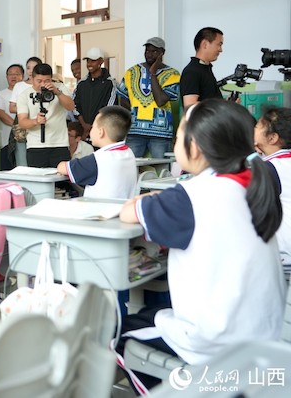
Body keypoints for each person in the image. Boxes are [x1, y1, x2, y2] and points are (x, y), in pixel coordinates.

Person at [118, 99, 284, 389]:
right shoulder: (253, 182)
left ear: (194, 147)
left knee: (120, 334)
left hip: (214, 342)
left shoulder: (191, 196)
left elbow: (128, 212)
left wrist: (142, 200)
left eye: (179, 134)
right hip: (264, 334)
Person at [116, 37, 180, 159]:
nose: (149, 54)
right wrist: (134, 114)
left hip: (160, 132)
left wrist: (153, 73)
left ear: (162, 53)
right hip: (135, 131)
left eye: (154, 51)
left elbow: (160, 100)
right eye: (147, 51)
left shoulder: (173, 74)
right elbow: (123, 97)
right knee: (129, 166)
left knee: (162, 170)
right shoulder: (132, 71)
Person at [57, 105, 137, 200]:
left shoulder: (99, 159)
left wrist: (61, 164)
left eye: (93, 127)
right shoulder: (128, 153)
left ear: (100, 132)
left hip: (98, 211)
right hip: (121, 210)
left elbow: (64, 168)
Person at [16, 63, 75, 168]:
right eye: (39, 81)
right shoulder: (24, 95)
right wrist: (35, 121)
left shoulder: (60, 88)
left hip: (59, 144)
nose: (43, 84)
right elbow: (22, 122)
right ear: (32, 79)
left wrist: (57, 92)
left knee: (62, 182)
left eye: (47, 81)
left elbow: (70, 107)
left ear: (51, 79)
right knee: (37, 181)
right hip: (35, 146)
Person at [254, 106, 291, 264]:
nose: (253, 129)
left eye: (257, 126)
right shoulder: (282, 163)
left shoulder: (271, 168)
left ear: (272, 138)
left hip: (283, 253)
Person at [73, 47, 117, 141]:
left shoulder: (110, 83)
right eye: (88, 61)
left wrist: (94, 126)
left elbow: (109, 108)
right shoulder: (82, 83)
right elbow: (74, 105)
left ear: (100, 61)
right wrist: (85, 125)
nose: (89, 64)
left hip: (102, 133)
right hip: (84, 134)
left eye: (93, 61)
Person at [8, 57, 43, 165]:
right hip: (22, 127)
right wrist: (26, 108)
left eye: (34, 68)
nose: (30, 71)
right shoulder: (19, 86)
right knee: (22, 161)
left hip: (39, 126)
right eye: (28, 68)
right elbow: (12, 107)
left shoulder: (43, 86)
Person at [179, 27, 224, 110]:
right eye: (219, 44)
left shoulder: (205, 69)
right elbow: (190, 105)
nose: (221, 50)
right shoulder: (192, 72)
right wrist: (221, 106)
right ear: (205, 44)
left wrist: (227, 104)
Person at [0, 64, 24, 170]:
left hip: (26, 140)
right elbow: (1, 114)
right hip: (7, 140)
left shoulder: (27, 93)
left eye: (17, 74)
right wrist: (20, 127)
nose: (13, 76)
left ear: (23, 76)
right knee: (7, 170)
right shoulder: (1, 95)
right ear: (6, 77)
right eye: (10, 74)